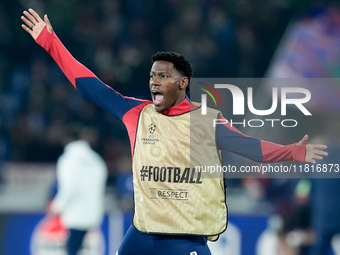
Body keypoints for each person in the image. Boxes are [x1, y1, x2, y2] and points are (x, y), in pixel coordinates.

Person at [21, 9, 328, 255]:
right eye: (153, 76)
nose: (155, 82)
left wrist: (293, 152)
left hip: (186, 238)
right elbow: (89, 85)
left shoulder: (207, 121)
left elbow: (250, 148)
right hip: (142, 234)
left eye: (164, 76)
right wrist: (50, 42)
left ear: (182, 84)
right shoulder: (135, 113)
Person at [48, 124, 108, 255]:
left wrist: (57, 206)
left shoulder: (68, 160)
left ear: (67, 140)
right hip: (93, 213)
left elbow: (69, 188)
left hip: (75, 213)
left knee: (72, 249)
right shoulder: (96, 159)